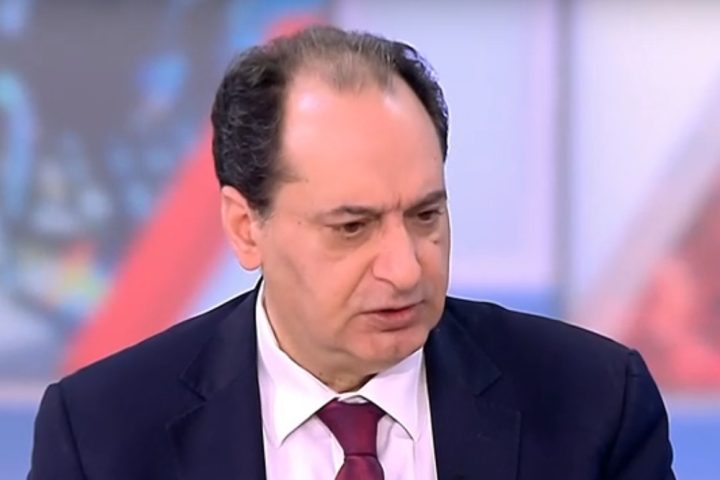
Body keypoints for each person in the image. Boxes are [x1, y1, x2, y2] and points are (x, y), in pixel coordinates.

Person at [28, 26, 675, 479]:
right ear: (246, 227)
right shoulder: (103, 435)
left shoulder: (594, 404)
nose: (406, 269)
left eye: (426, 215)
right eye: (352, 227)